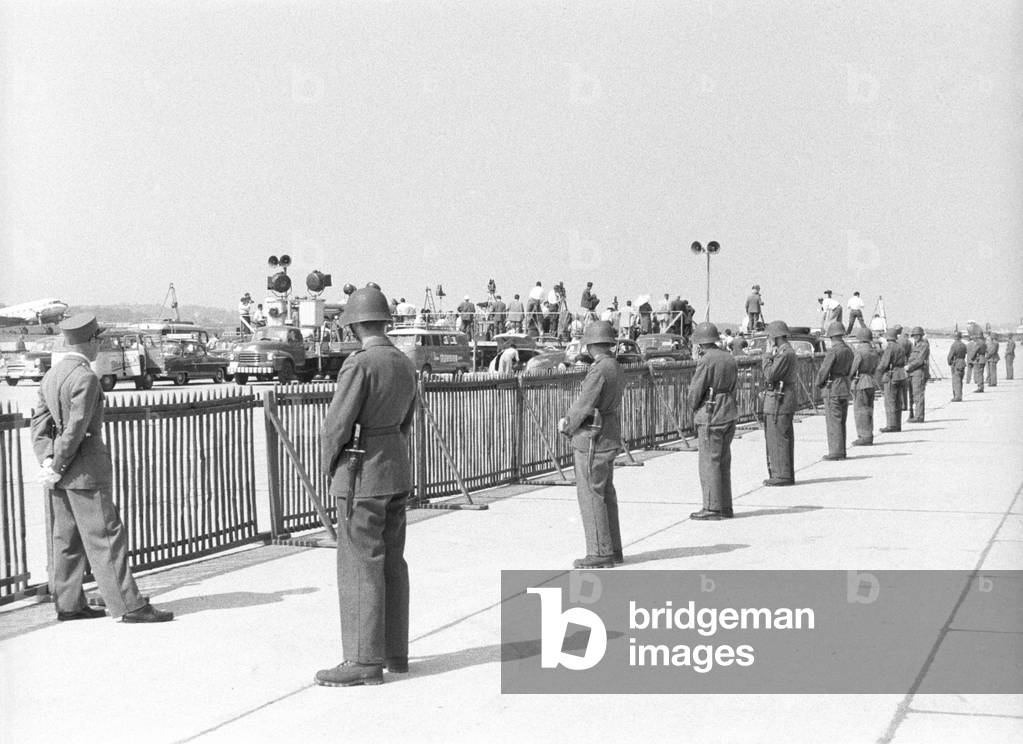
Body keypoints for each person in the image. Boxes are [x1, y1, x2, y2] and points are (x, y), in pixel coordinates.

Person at [30, 313, 173, 624]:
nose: (100, 345)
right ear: (90, 341)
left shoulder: (51, 376)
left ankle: (69, 605)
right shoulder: (85, 377)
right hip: (85, 472)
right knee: (106, 537)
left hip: (60, 475)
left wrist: (48, 461)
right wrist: (59, 462)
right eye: (99, 340)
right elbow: (77, 428)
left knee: (66, 540)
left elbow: (39, 426)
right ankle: (130, 606)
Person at [316, 287, 417, 687]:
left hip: (362, 474)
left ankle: (362, 659)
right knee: (393, 563)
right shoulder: (402, 362)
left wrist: (328, 468)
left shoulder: (359, 364)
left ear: (354, 324)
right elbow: (407, 420)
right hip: (395, 468)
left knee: (360, 565)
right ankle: (395, 652)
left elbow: (337, 427)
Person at [558, 321, 625, 568]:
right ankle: (613, 548)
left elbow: (584, 404)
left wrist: (567, 425)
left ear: (590, 345)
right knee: (606, 493)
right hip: (608, 433)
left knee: (591, 494)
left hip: (593, 436)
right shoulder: (614, 366)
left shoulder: (598, 370)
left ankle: (599, 551)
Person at [688, 322, 739, 519]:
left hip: (712, 412)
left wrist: (693, 407)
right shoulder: (728, 357)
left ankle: (712, 506)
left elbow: (696, 390)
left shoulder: (707, 360)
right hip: (728, 410)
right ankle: (725, 506)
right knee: (723, 461)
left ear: (700, 343)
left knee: (709, 461)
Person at [761, 321, 799, 486]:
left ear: (775, 337)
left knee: (778, 438)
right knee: (780, 436)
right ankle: (782, 473)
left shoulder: (784, 354)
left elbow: (770, 374)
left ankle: (781, 475)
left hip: (779, 399)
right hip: (780, 397)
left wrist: (767, 356)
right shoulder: (786, 351)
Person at [815, 321, 854, 459]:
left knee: (833, 421)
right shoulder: (848, 350)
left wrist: (819, 383)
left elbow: (824, 370)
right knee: (841, 420)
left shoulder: (833, 351)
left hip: (833, 388)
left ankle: (836, 452)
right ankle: (841, 450)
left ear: (831, 336)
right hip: (844, 386)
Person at [850, 325, 880, 445]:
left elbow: (854, 367)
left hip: (861, 381)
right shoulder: (873, 351)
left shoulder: (860, 351)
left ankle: (864, 436)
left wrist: (850, 376)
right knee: (869, 409)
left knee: (860, 410)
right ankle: (869, 434)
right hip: (870, 380)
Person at [877, 327, 908, 432]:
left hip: (891, 375)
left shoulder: (890, 348)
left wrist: (878, 371)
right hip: (901, 374)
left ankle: (891, 425)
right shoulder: (900, 347)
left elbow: (884, 364)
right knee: (898, 401)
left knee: (890, 401)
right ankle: (897, 424)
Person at [905, 327, 930, 422]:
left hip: (919, 372)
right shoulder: (915, 346)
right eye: (914, 335)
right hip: (912, 373)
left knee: (918, 395)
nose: (915, 337)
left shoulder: (924, 346)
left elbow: (919, 360)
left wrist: (909, 366)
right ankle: (914, 415)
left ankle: (919, 417)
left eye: (917, 335)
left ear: (921, 335)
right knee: (912, 395)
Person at [946, 330, 967, 402]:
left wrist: (949, 362)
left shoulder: (954, 345)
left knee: (956, 380)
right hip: (962, 362)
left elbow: (950, 356)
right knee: (960, 380)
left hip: (956, 363)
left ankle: (957, 396)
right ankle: (959, 395)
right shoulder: (964, 345)